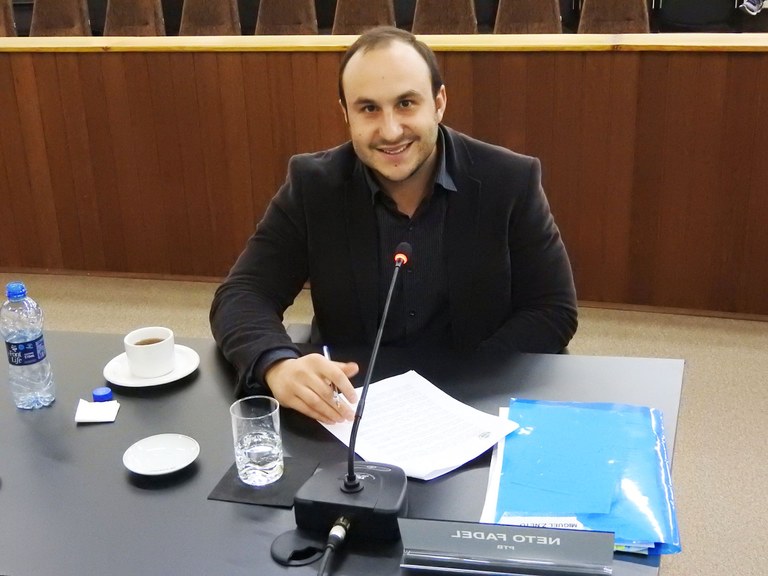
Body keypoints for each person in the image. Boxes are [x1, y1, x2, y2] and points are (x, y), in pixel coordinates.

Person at [210, 26, 578, 425]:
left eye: (406, 103)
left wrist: (465, 381)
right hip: (351, 409)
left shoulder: (509, 179)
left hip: (473, 401)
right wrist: (276, 363)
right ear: (346, 114)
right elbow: (244, 293)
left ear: (438, 103)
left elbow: (551, 309)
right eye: (369, 108)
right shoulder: (312, 185)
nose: (389, 131)